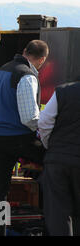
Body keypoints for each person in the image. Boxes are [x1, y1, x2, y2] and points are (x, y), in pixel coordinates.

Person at [0, 40, 49, 236]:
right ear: (42, 60)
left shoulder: (4, 68)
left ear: (25, 51)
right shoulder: (27, 76)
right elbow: (29, 118)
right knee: (55, 161)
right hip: (15, 136)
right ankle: (50, 220)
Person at [38, 81, 80, 236]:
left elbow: (44, 121)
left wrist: (51, 145)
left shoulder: (64, 91)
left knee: (58, 213)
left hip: (58, 160)